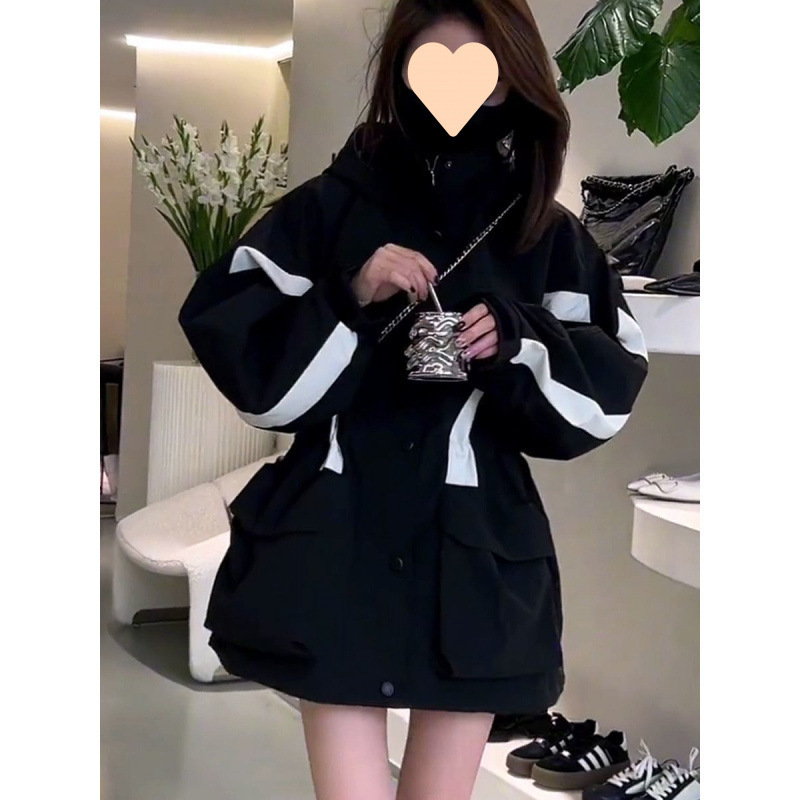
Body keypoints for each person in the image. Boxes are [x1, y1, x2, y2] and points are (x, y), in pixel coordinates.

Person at [177, 1, 649, 798]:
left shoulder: (544, 231)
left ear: (515, 80)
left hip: (472, 558)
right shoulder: (330, 206)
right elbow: (250, 366)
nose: (456, 94)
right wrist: (351, 292)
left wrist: (518, 339)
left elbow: (605, 391)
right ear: (399, 71)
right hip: (335, 541)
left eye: (482, 72)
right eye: (432, 65)